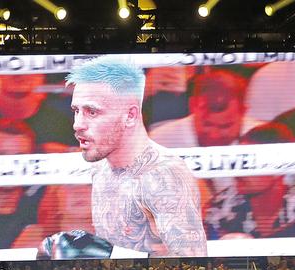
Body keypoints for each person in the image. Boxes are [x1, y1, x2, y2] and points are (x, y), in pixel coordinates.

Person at [51, 56, 206, 258]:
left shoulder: (163, 175)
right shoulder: (101, 169)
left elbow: (193, 268)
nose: (77, 124)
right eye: (76, 111)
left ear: (130, 115)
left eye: (92, 111)